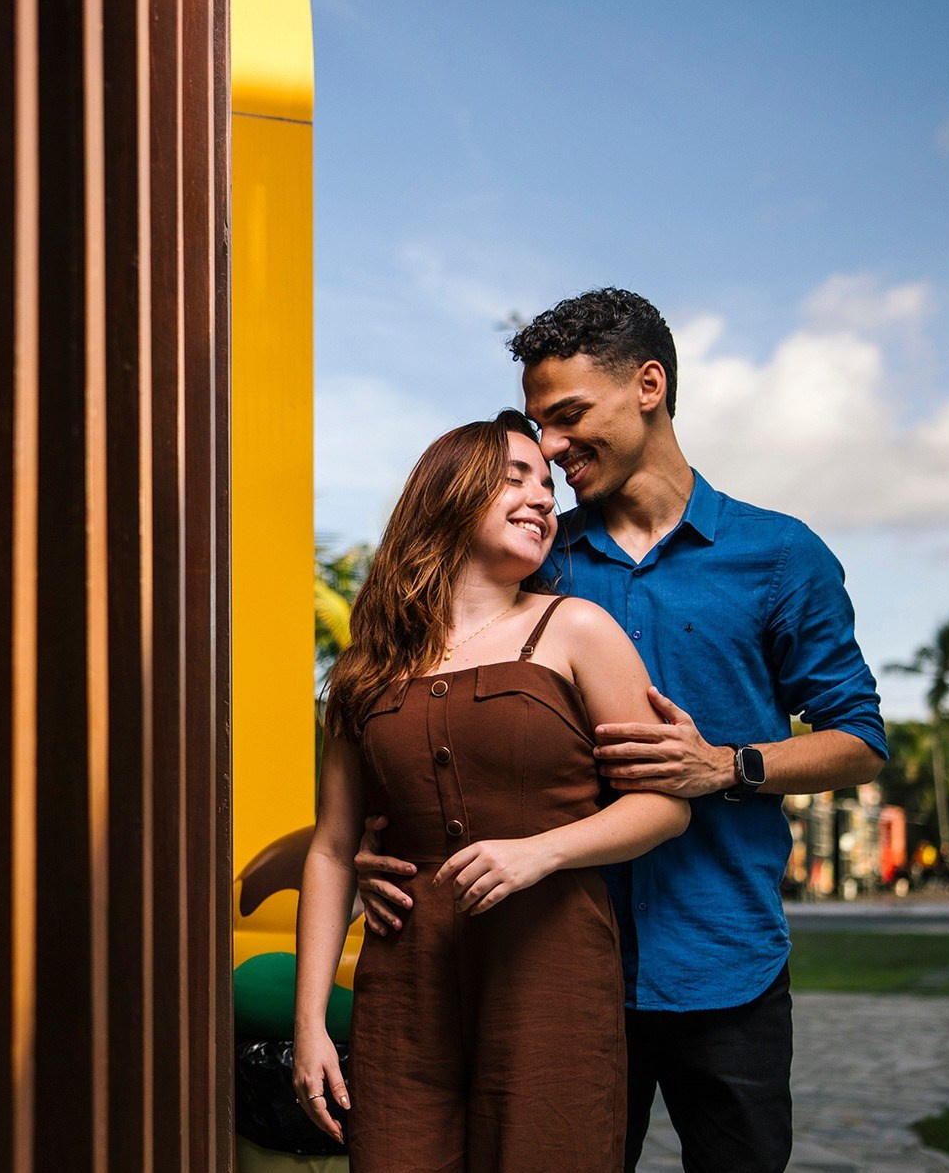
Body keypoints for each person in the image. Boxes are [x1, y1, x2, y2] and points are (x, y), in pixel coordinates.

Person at [356, 289, 888, 1173]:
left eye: (568, 419)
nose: (551, 451)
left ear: (649, 385)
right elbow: (424, 708)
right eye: (540, 428)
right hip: (547, 966)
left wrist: (724, 765)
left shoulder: (780, 555)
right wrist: (381, 845)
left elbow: (860, 739)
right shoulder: (533, 553)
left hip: (723, 959)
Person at [293, 410, 691, 1171]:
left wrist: (540, 853)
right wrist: (311, 1024)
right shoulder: (364, 669)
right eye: (515, 478)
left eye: (547, 485)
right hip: (404, 996)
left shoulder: (577, 629)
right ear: (447, 494)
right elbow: (333, 848)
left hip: (551, 980)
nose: (543, 497)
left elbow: (663, 805)